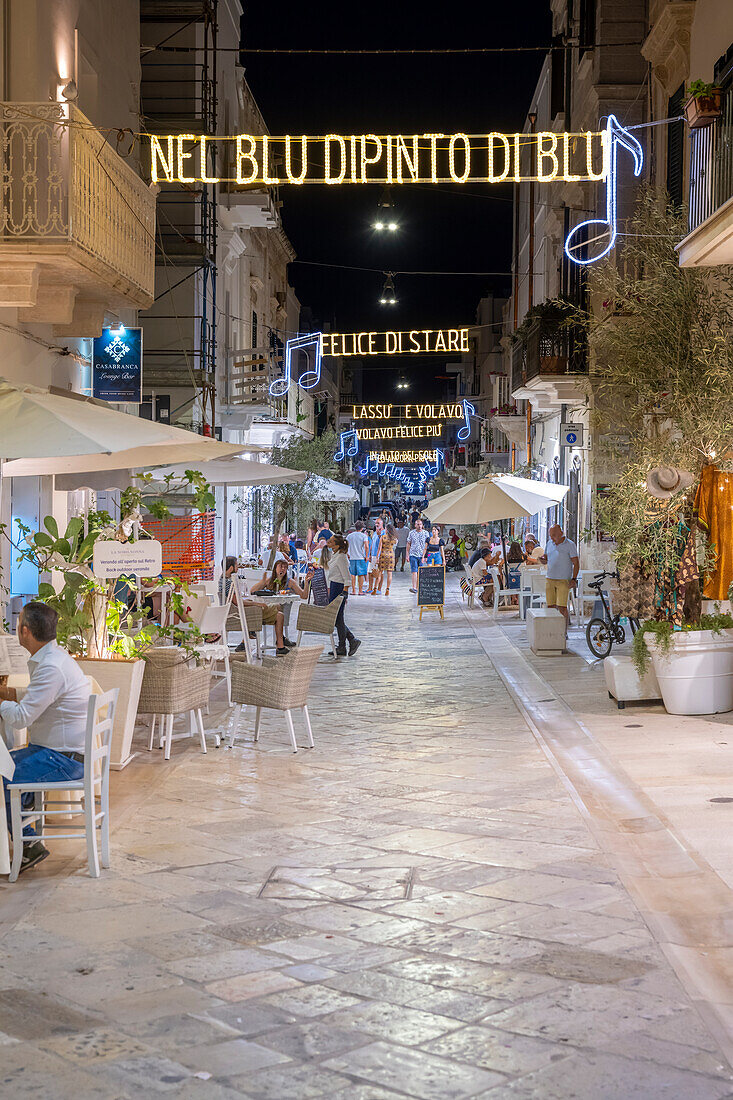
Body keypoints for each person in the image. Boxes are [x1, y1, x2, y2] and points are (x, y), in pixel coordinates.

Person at [0, 602, 91, 873]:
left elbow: (21, 718)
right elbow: (41, 697)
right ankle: (25, 831)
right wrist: (8, 694)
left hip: (63, 760)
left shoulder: (51, 666)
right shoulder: (55, 658)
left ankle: (28, 845)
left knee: (2, 775)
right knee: (7, 763)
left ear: (25, 631)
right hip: (58, 752)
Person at [250, 559, 310, 645]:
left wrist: (307, 582)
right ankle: (282, 639)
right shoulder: (269, 581)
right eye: (280, 566)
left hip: (283, 611)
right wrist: (262, 582)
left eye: (285, 567)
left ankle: (280, 639)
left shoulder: (290, 582)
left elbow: (304, 596)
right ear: (275, 568)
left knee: (277, 606)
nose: (283, 569)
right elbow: (252, 591)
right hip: (269, 612)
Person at [539, 524, 580, 630]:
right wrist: (543, 559)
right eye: (550, 535)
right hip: (550, 578)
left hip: (563, 580)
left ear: (561, 533)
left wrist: (573, 579)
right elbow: (546, 557)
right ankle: (552, 630)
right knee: (550, 607)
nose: (552, 538)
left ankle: (563, 631)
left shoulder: (570, 544)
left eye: (554, 535)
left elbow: (576, 563)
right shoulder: (549, 543)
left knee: (562, 607)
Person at [326, 535, 361, 657]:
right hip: (334, 585)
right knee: (337, 618)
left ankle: (347, 643)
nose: (328, 543)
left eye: (331, 542)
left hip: (339, 587)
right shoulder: (335, 555)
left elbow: (346, 576)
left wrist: (345, 592)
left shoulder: (341, 557)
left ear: (337, 545)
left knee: (338, 617)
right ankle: (346, 643)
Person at [346, 520, 370, 595]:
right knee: (361, 574)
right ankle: (360, 591)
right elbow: (366, 546)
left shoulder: (349, 536)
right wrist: (367, 556)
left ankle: (353, 590)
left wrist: (347, 554)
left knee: (352, 574)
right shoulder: (364, 536)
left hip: (352, 557)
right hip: (361, 557)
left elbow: (345, 546)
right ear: (362, 528)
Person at [406, 518, 428, 593]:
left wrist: (426, 556)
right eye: (418, 524)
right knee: (414, 571)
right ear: (415, 525)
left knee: (420, 571)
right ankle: (414, 587)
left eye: (420, 524)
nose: (419, 526)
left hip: (422, 555)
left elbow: (427, 545)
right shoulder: (411, 533)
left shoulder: (426, 533)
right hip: (413, 554)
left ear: (422, 525)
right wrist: (407, 554)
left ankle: (419, 587)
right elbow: (408, 543)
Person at [376, 523, 397, 596]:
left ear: (387, 530)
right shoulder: (394, 538)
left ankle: (376, 588)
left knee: (380, 572)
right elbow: (395, 546)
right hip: (391, 555)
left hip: (383, 555)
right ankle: (387, 589)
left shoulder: (383, 537)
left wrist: (377, 557)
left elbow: (379, 548)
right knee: (389, 573)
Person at [366, 518, 384, 596]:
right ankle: (370, 588)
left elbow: (383, 545)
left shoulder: (383, 533)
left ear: (382, 523)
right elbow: (372, 544)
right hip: (372, 555)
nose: (376, 524)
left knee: (380, 573)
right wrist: (369, 555)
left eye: (378, 523)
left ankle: (378, 589)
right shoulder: (375, 533)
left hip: (379, 556)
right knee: (370, 572)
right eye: (376, 523)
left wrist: (379, 557)